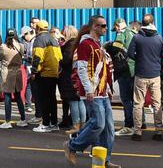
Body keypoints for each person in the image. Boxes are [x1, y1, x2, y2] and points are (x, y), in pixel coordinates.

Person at [65, 15, 119, 168]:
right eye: (102, 26)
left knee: (108, 128)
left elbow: (103, 70)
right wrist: (88, 89)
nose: (105, 28)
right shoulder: (85, 45)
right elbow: (81, 69)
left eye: (105, 25)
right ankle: (72, 146)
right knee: (98, 124)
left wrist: (108, 88)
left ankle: (104, 160)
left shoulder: (98, 45)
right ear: (94, 27)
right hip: (92, 92)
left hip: (102, 92)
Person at [126, 14, 163, 141]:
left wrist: (140, 59)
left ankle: (137, 131)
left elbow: (130, 53)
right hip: (155, 74)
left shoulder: (137, 37)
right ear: (153, 22)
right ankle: (158, 130)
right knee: (157, 103)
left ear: (142, 23)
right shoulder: (159, 38)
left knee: (138, 103)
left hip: (141, 74)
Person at [30, 18, 62, 132]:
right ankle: (54, 123)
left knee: (44, 100)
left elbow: (37, 57)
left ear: (38, 28)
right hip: (54, 73)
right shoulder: (53, 39)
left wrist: (34, 72)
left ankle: (45, 124)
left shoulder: (39, 40)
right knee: (52, 99)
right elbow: (59, 57)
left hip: (44, 73)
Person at [107, 18, 137, 136]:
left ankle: (128, 125)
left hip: (124, 70)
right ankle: (140, 122)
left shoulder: (121, 33)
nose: (116, 31)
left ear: (118, 26)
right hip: (135, 70)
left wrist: (108, 46)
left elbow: (116, 48)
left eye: (116, 28)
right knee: (136, 99)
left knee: (126, 99)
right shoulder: (134, 33)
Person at [0, 29, 29, 129]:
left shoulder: (3, 46)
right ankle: (23, 119)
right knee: (18, 96)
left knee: (7, 96)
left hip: (7, 73)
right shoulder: (21, 46)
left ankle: (7, 121)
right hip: (18, 72)